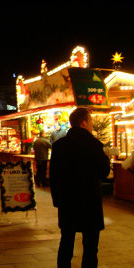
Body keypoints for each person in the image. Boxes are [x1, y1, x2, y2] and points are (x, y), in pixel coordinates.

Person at [50, 108, 110, 268]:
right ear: (83, 123)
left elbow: (54, 176)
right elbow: (103, 172)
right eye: (90, 121)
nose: (91, 125)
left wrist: (57, 201)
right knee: (90, 246)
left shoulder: (59, 146)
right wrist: (106, 159)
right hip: (89, 202)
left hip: (68, 202)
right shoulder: (94, 144)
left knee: (66, 243)